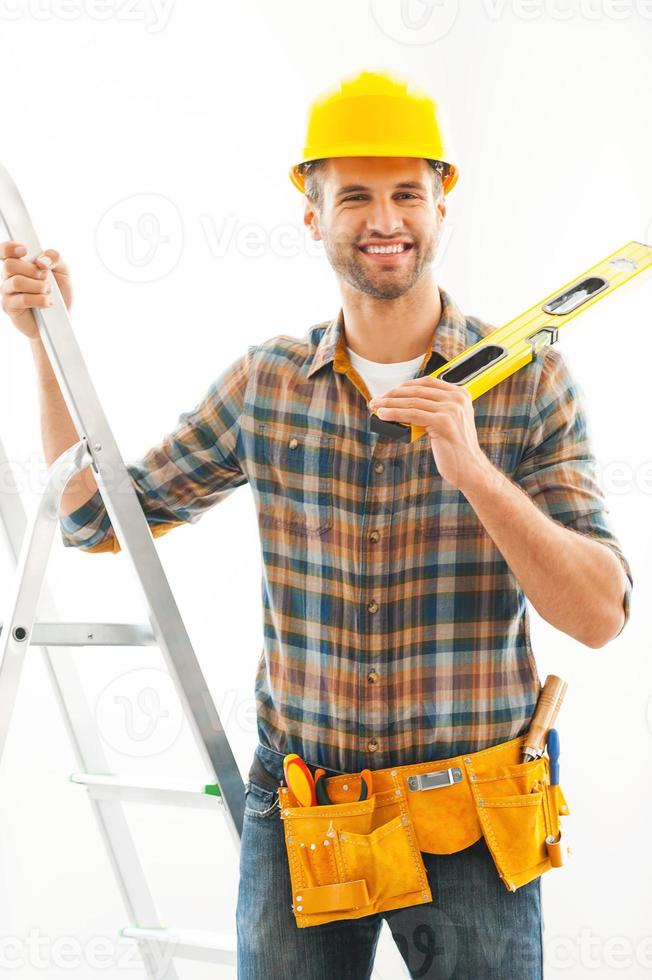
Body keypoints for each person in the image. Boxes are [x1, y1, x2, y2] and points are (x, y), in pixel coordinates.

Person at [1, 69, 633, 979]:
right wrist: (47, 348)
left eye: (408, 193)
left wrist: (474, 469)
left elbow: (600, 616)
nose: (386, 220)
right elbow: (98, 518)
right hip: (304, 813)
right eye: (357, 197)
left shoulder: (530, 383)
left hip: (475, 816)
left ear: (443, 205)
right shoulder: (268, 385)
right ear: (312, 213)